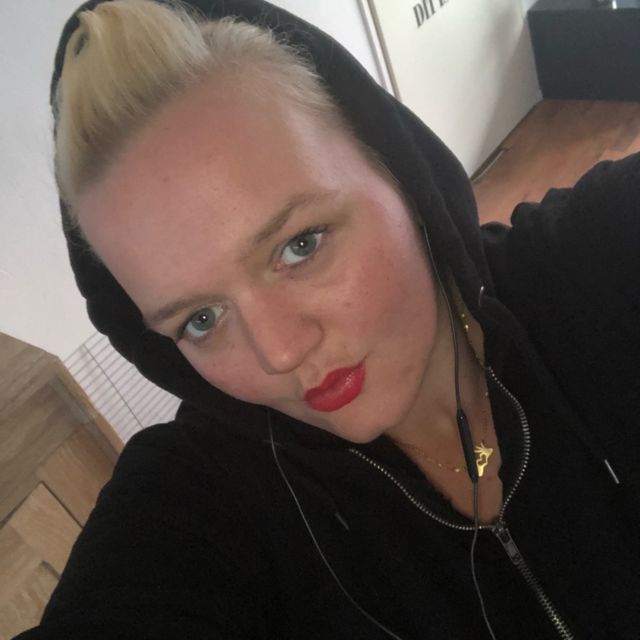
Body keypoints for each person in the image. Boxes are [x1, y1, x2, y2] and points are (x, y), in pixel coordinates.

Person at [15, 0, 639, 638]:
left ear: (398, 169)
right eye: (201, 319)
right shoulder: (203, 498)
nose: (280, 353)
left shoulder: (598, 258)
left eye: (300, 244)